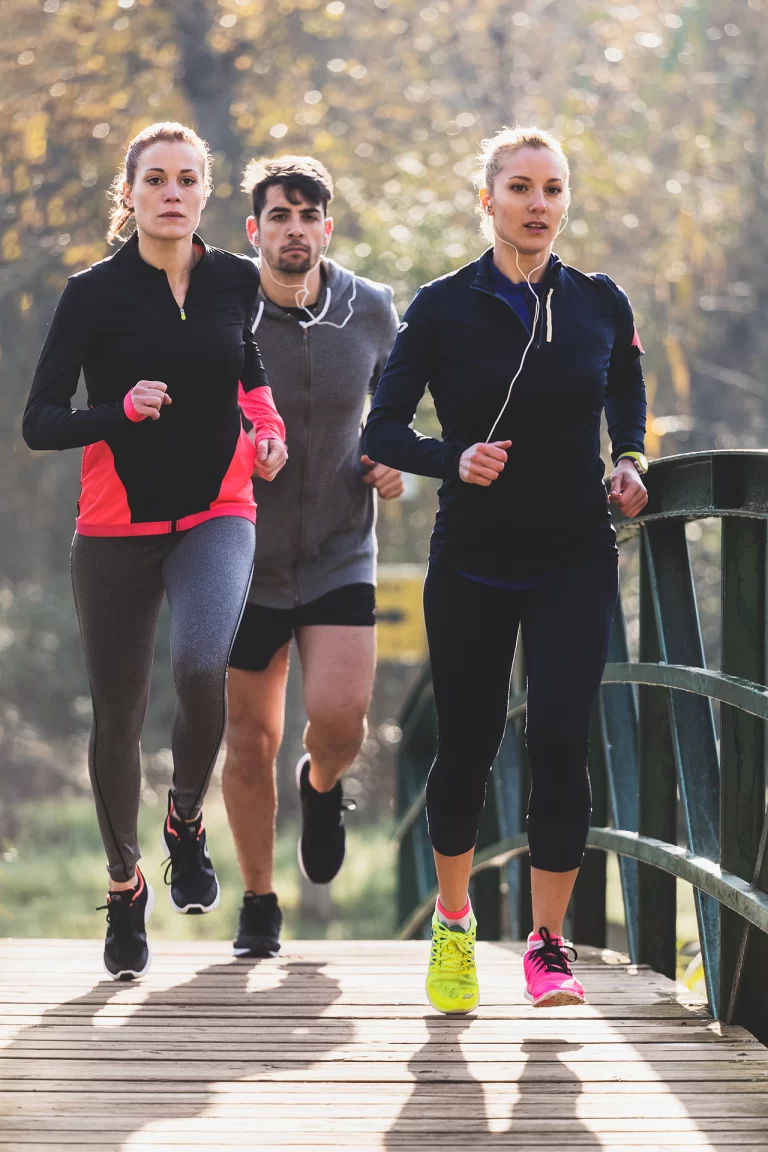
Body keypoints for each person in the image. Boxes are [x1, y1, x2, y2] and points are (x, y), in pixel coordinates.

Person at [363, 126, 648, 1012]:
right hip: (476, 561)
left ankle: (549, 945)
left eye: (554, 190)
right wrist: (453, 459)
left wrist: (631, 458)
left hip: (574, 554)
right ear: (487, 201)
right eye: (520, 188)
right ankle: (453, 927)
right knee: (468, 747)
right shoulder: (443, 305)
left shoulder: (600, 301)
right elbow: (380, 431)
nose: (539, 205)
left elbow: (625, 392)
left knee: (562, 742)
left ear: (566, 202)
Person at [22, 122, 287, 980]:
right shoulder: (93, 294)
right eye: (156, 179)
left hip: (219, 508)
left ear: (206, 193)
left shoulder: (235, 282)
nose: (172, 192)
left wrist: (269, 429)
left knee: (203, 663)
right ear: (129, 193)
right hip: (115, 526)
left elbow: (244, 365)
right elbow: (41, 422)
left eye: (188, 179)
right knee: (120, 717)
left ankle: (183, 820)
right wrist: (119, 410)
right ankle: (126, 882)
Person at [222, 156, 402, 957]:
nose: (294, 229)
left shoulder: (371, 309)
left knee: (338, 720)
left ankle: (322, 786)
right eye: (278, 216)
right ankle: (260, 900)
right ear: (253, 230)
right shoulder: (220, 311)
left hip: (338, 548)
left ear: (328, 227)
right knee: (249, 740)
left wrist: (389, 457)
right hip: (235, 556)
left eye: (308, 216)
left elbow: (394, 411)